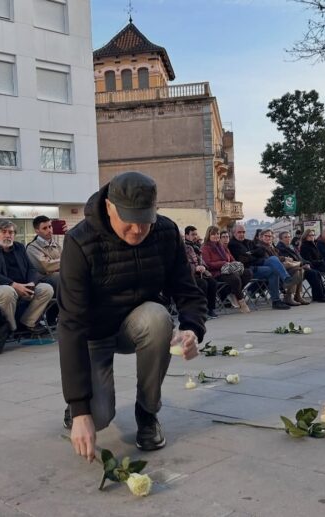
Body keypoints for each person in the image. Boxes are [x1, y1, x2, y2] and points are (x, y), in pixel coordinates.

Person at [59, 171, 207, 461]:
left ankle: (148, 413)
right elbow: (71, 324)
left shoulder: (166, 232)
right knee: (98, 418)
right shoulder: (79, 242)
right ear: (110, 208)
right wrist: (80, 410)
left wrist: (192, 328)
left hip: (138, 324)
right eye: (130, 220)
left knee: (157, 316)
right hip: (94, 333)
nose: (138, 230)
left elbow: (187, 289)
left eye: (145, 220)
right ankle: (84, 402)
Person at [0, 220, 54, 335]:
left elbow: (31, 269)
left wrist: (31, 283)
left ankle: (27, 323)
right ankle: (10, 329)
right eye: (4, 232)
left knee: (46, 289)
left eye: (11, 232)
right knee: (7, 292)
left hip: (23, 286)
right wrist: (13, 284)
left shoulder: (19, 247)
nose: (8, 235)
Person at [228, 224, 298, 310]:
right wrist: (253, 253)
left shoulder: (248, 242)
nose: (242, 234)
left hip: (257, 264)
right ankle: (279, 295)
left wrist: (251, 253)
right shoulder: (232, 244)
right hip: (247, 269)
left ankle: (282, 287)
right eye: (239, 232)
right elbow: (244, 258)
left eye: (243, 232)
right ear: (233, 233)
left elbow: (261, 251)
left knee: (273, 259)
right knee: (273, 268)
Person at [202, 226, 251, 313]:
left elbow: (231, 259)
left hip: (228, 270)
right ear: (208, 235)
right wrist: (223, 263)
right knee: (235, 278)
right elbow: (208, 264)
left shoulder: (222, 247)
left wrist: (235, 264)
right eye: (213, 234)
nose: (216, 236)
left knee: (247, 273)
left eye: (217, 234)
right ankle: (241, 301)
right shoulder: (205, 247)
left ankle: (233, 292)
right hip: (216, 273)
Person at [276, 231, 325, 303]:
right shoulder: (280, 248)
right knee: (312, 273)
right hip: (289, 270)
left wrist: (307, 263)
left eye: (289, 237)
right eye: (286, 237)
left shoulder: (291, 246)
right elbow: (290, 261)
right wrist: (303, 264)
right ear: (280, 239)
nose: (288, 238)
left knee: (316, 273)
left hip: (299, 266)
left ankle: (322, 295)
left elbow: (300, 258)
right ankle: (317, 296)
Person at [258, 229, 308, 305]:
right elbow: (269, 260)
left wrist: (296, 262)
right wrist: (286, 260)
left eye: (270, 236)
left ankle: (297, 295)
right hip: (271, 271)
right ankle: (288, 296)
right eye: (266, 236)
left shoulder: (272, 247)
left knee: (301, 270)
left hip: (281, 269)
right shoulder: (260, 247)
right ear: (261, 237)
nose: (268, 238)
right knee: (298, 270)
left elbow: (297, 258)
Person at [184, 225, 219, 318]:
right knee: (203, 284)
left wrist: (203, 267)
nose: (195, 236)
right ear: (186, 235)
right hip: (189, 276)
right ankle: (201, 309)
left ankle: (210, 309)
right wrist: (195, 268)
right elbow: (183, 264)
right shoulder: (183, 248)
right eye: (192, 234)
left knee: (212, 282)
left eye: (196, 234)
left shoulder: (197, 247)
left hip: (200, 274)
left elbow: (202, 261)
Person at [26, 215, 63, 292]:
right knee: (65, 277)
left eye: (50, 226)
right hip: (42, 280)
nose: (49, 230)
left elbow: (66, 262)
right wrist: (63, 262)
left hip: (57, 276)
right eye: (45, 228)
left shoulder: (57, 245)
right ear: (37, 231)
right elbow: (45, 266)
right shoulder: (32, 247)